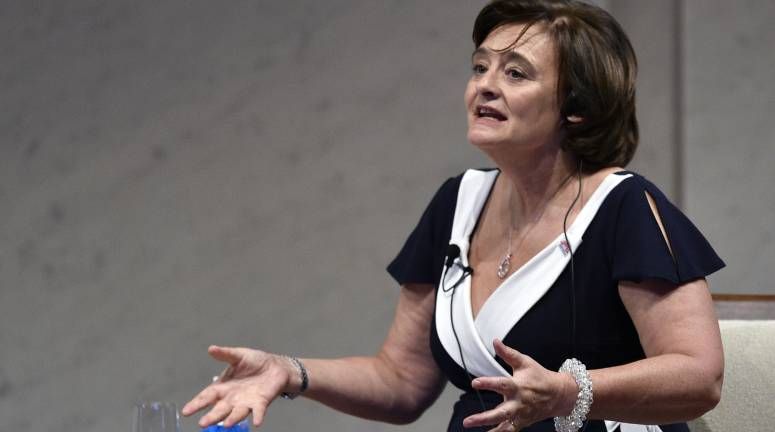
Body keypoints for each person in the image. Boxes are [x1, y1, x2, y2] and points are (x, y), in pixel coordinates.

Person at [182, 1, 725, 431]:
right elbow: (401, 383)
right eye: (479, 67)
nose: (485, 85)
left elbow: (700, 377)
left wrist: (569, 393)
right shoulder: (457, 202)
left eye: (516, 73)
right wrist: (289, 371)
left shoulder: (624, 207)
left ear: (575, 108)